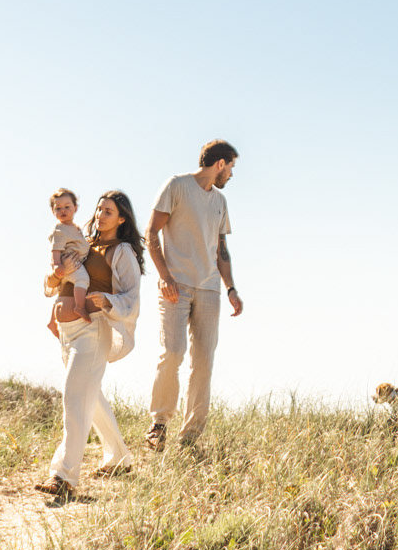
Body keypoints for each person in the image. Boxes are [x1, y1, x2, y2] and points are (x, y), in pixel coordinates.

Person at [37, 190, 143, 501]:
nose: (100, 215)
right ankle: (119, 459)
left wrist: (106, 300)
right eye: (99, 210)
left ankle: (63, 476)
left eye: (108, 211)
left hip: (93, 331)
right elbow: (52, 283)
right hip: (67, 332)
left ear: (121, 219)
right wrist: (56, 275)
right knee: (90, 398)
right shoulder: (82, 242)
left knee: (74, 397)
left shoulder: (122, 252)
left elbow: (131, 297)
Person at [145, 139, 243, 453]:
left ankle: (190, 437)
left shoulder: (220, 202)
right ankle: (159, 424)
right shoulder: (176, 186)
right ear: (220, 164)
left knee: (203, 363)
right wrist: (164, 276)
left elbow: (221, 250)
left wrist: (230, 288)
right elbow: (151, 233)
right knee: (173, 352)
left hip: (209, 289)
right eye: (231, 167)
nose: (231, 175)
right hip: (175, 285)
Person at [44, 187, 90, 339]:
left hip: (73, 263)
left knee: (63, 288)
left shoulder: (76, 228)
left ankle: (52, 321)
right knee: (82, 280)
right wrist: (57, 264)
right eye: (58, 208)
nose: (62, 210)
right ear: (53, 211)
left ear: (75, 208)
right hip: (69, 264)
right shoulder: (59, 229)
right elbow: (55, 249)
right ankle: (79, 306)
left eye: (67, 207)